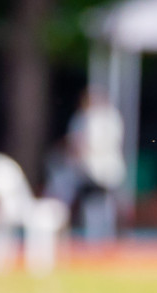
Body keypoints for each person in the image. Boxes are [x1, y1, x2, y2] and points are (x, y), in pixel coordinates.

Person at [44, 87, 125, 240]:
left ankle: (97, 236)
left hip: (94, 169)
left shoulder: (96, 118)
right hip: (91, 169)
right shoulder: (98, 117)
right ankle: (58, 225)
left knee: (95, 204)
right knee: (93, 204)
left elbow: (82, 143)